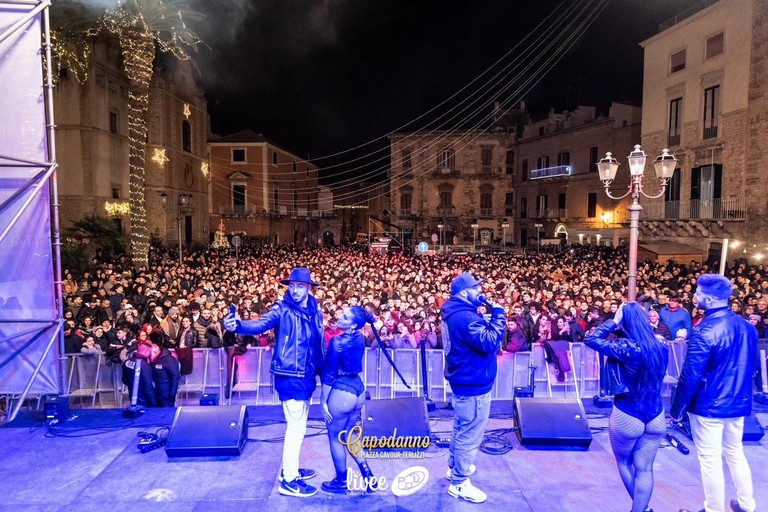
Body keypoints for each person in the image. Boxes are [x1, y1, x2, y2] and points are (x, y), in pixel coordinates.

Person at [224, 267, 325, 498]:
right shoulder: (282, 309)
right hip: (289, 375)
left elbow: (316, 345)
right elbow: (260, 324)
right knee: (296, 428)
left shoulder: (314, 312)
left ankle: (290, 470)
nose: (296, 290)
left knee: (298, 426)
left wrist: (322, 370)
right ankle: (289, 480)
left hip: (307, 375)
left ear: (309, 288)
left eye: (301, 286)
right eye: (293, 286)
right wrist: (237, 325)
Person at [672, 274, 757, 512]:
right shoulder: (747, 327)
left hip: (709, 405)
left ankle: (713, 509)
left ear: (708, 299)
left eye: (697, 293)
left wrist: (676, 410)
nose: (694, 296)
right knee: (735, 452)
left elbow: (690, 376)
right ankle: (747, 505)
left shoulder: (704, 330)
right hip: (738, 402)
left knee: (709, 459)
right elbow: (751, 367)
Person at [584, 302, 668, 512]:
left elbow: (590, 339)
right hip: (656, 415)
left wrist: (614, 320)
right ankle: (640, 510)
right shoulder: (662, 344)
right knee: (645, 468)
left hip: (628, 414)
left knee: (623, 462)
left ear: (625, 322)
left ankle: (642, 509)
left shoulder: (627, 348)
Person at [440, 272, 506, 503]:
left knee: (461, 427)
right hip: (473, 383)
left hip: (463, 379)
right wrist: (498, 315)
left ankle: (453, 467)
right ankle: (459, 482)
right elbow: (490, 343)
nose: (481, 291)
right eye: (476, 288)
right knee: (470, 434)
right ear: (464, 292)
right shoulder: (466, 318)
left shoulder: (453, 312)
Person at [319, 305, 374, 494]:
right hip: (358, 390)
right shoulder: (360, 338)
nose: (339, 317)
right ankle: (368, 475)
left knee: (335, 437)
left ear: (353, 326)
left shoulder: (337, 342)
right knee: (350, 435)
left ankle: (341, 481)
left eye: (345, 317)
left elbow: (329, 374)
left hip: (341, 392)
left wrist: (323, 401)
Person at [121, 342, 156, 407]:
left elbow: (124, 380)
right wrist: (153, 403)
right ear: (147, 352)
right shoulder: (144, 366)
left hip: (132, 396)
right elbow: (148, 387)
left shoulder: (127, 362)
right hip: (143, 400)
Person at [150, 343, 181, 407]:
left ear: (155, 352)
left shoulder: (169, 359)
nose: (149, 356)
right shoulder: (155, 360)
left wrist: (172, 393)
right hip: (157, 393)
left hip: (167, 395)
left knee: (167, 413)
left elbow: (175, 376)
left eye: (150, 354)